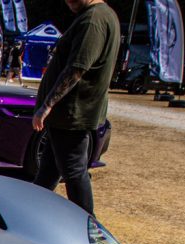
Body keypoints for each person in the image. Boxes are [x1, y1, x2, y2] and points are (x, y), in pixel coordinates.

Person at [32, 0, 120, 216]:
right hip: (66, 116)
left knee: (73, 173)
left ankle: (88, 228)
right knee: (47, 174)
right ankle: (29, 215)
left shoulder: (93, 20)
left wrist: (47, 105)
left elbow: (77, 68)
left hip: (71, 114)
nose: (68, 1)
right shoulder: (97, 15)